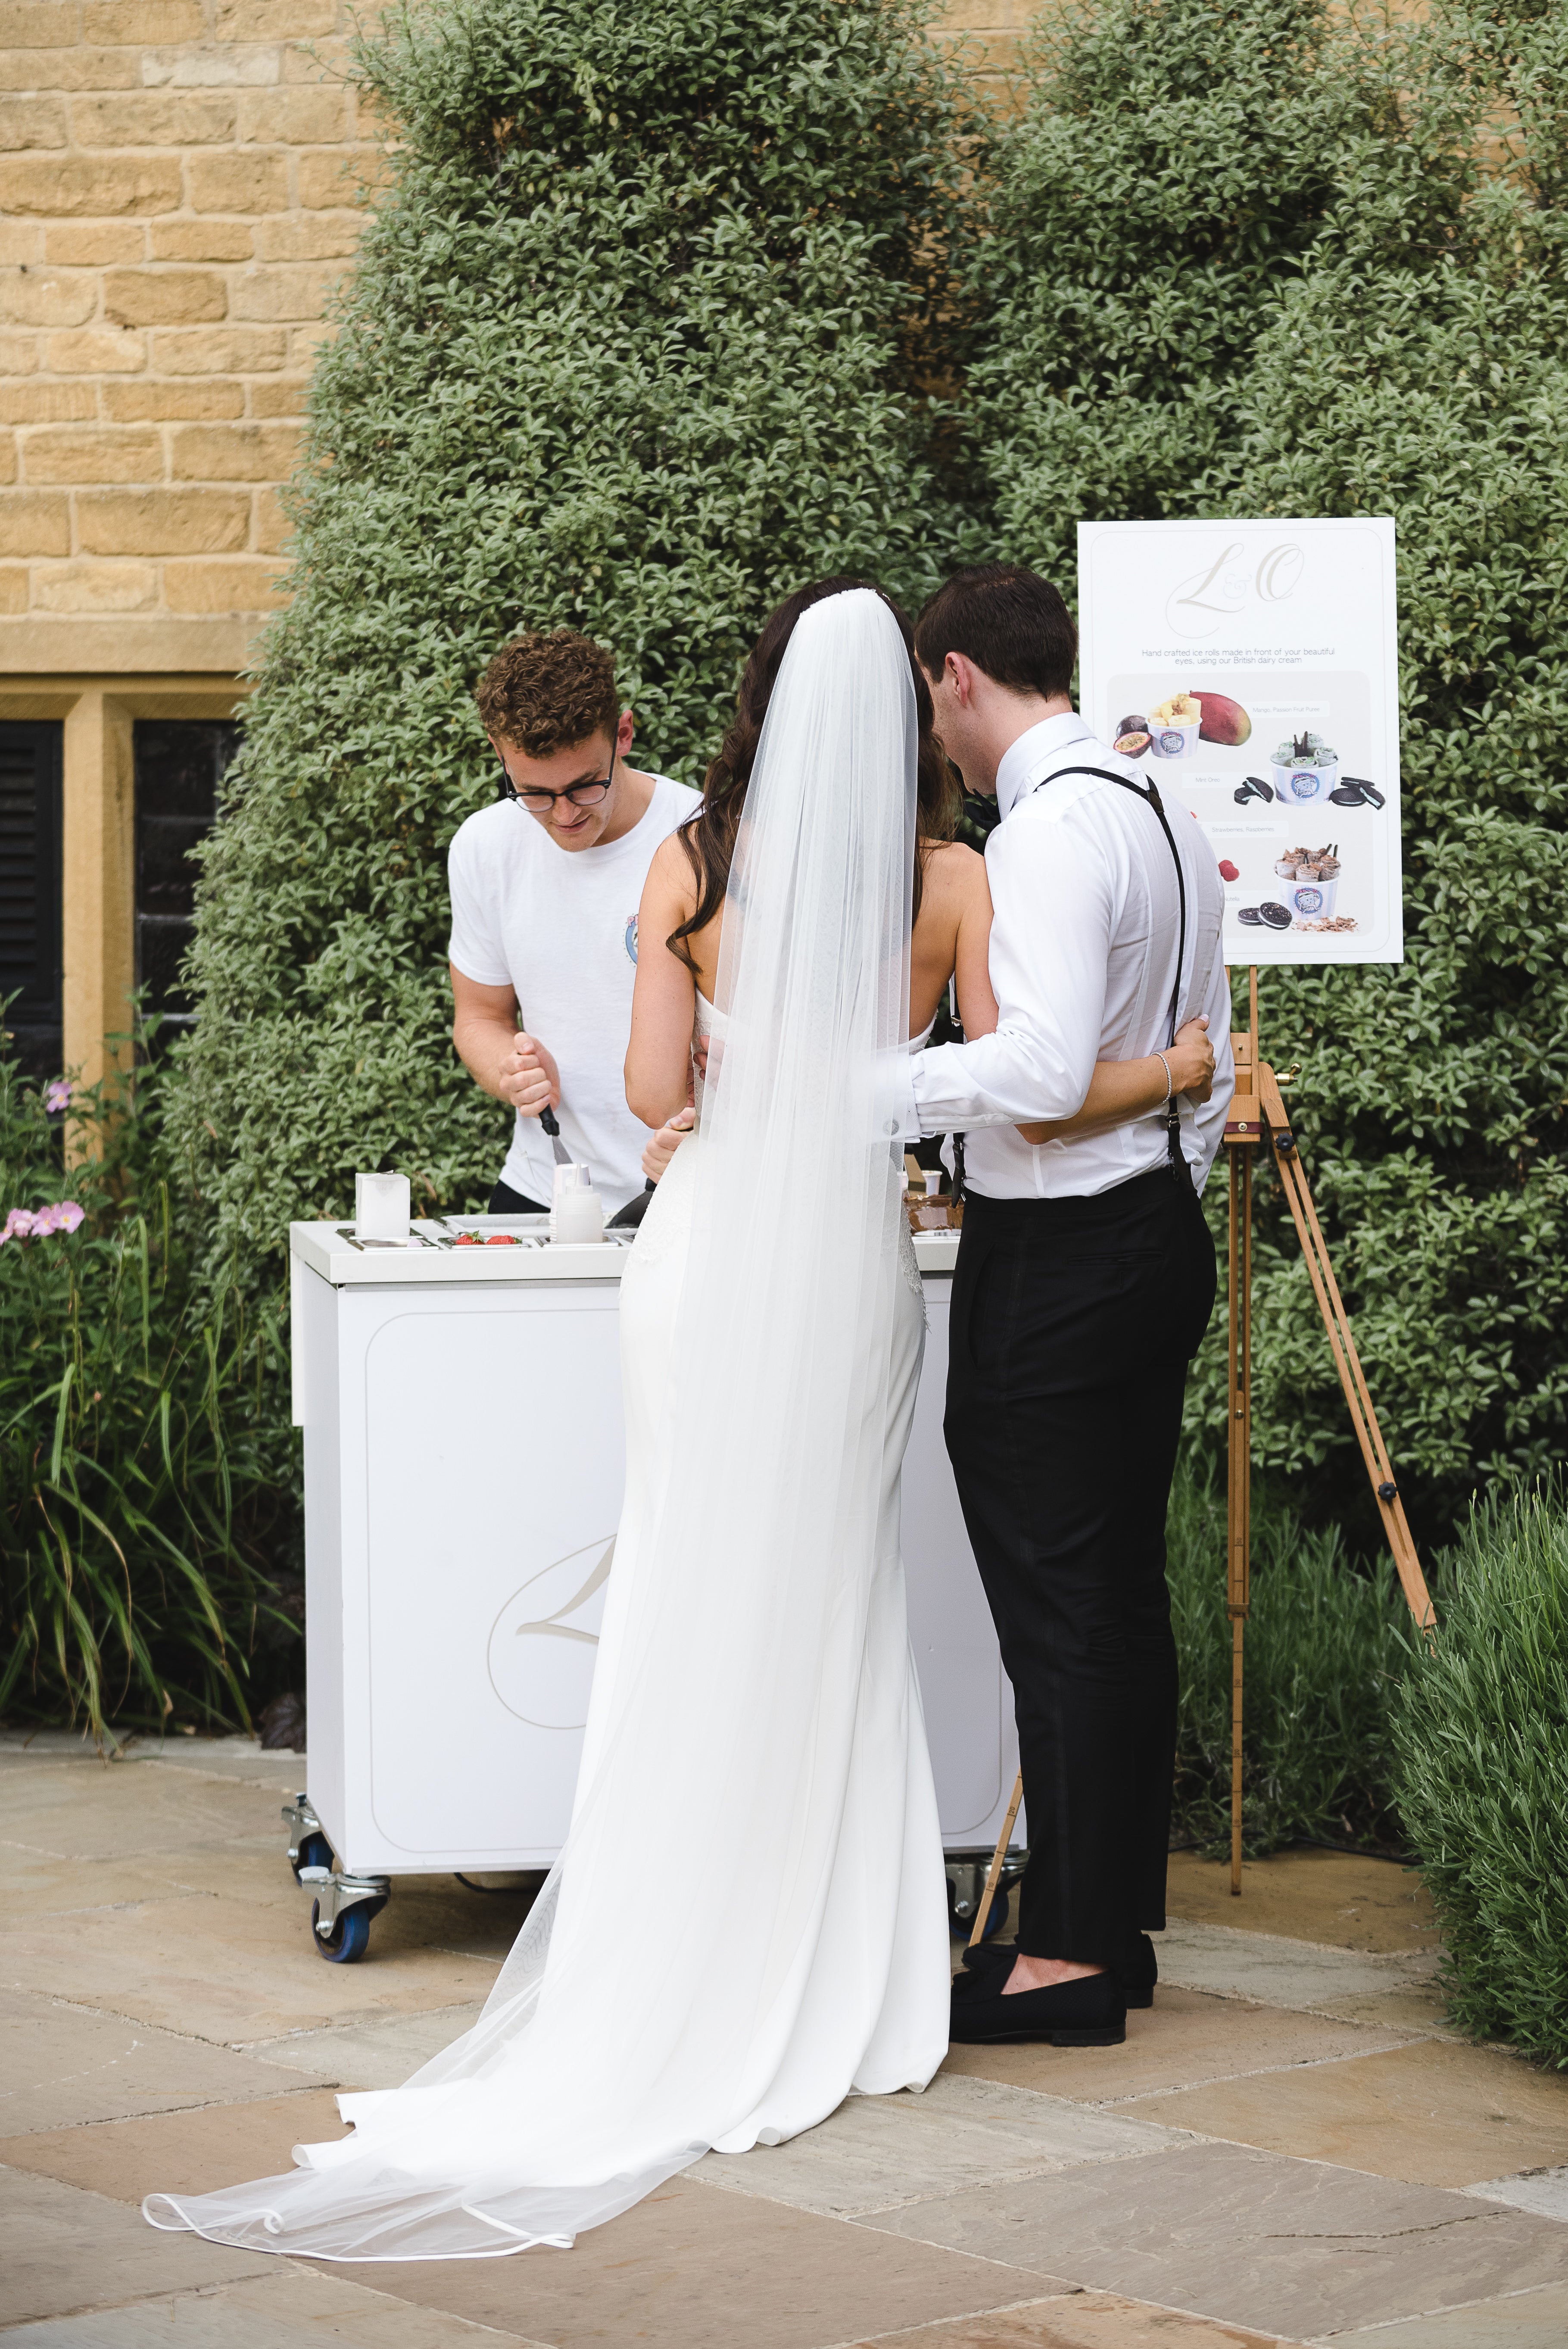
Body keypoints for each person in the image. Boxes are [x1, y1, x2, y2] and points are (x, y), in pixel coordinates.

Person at [143, 583, 1213, 2264]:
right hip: (847, 1256)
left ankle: (664, 1937)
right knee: (823, 1595)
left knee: (681, 1580)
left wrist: (730, 1086)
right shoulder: (952, 880)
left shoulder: (692, 867)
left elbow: (653, 1100)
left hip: (704, 1254)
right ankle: (821, 1943)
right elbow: (1010, 1077)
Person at [902, 562, 1234, 2051]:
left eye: (930, 700)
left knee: (1062, 1604)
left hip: (1064, 1256)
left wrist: (854, 1090)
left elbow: (1032, 1077)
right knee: (1116, 1598)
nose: (935, 731)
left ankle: (1073, 1959)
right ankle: (1115, 1929)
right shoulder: (1165, 807)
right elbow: (1206, 1059)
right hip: (1160, 1224)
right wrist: (1156, 1123)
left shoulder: (1041, 830)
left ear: (959, 675)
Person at [449, 628, 700, 1217]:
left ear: (625, 734)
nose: (563, 815)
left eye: (585, 786)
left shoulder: (703, 836)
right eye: (534, 793)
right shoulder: (484, 846)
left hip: (686, 1187)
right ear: (498, 751)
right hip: (544, 1187)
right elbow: (479, 1016)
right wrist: (507, 1069)